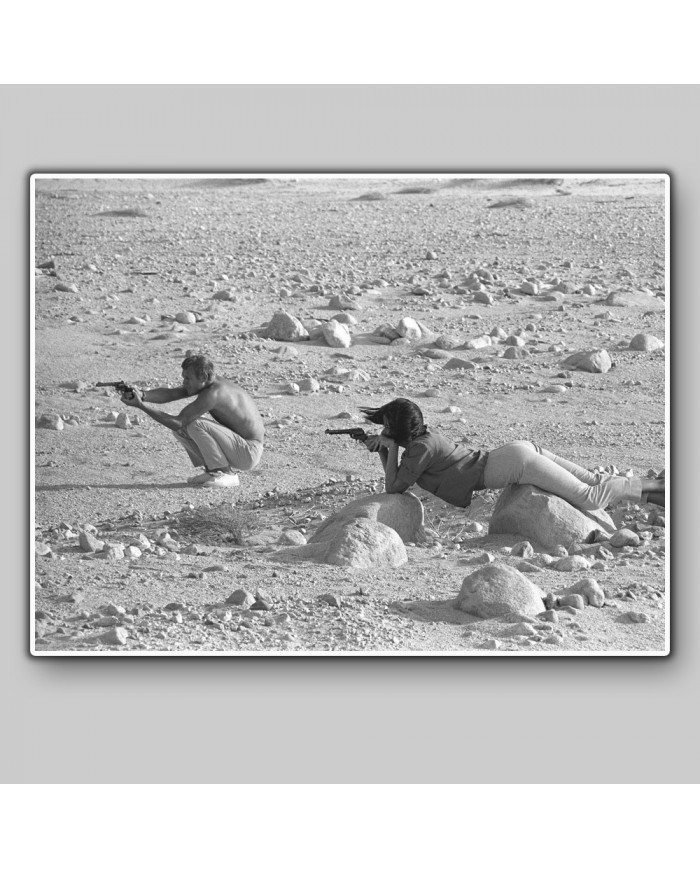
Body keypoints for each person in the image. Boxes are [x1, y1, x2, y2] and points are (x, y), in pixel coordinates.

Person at [360, 398, 665, 511]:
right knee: (594, 480)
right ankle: (660, 496)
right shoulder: (423, 440)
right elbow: (399, 475)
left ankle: (655, 486)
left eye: (387, 427)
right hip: (515, 453)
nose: (384, 430)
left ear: (399, 430)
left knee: (590, 497)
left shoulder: (420, 448)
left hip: (517, 463)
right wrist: (386, 449)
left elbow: (394, 487)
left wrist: (388, 449)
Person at [120, 354, 264, 488]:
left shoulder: (213, 393)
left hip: (248, 452)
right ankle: (213, 470)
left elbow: (177, 422)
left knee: (193, 424)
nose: (184, 383)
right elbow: (174, 393)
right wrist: (142, 394)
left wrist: (141, 405)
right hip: (241, 447)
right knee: (182, 430)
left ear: (202, 376)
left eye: (188, 378)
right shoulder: (208, 382)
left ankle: (226, 474)